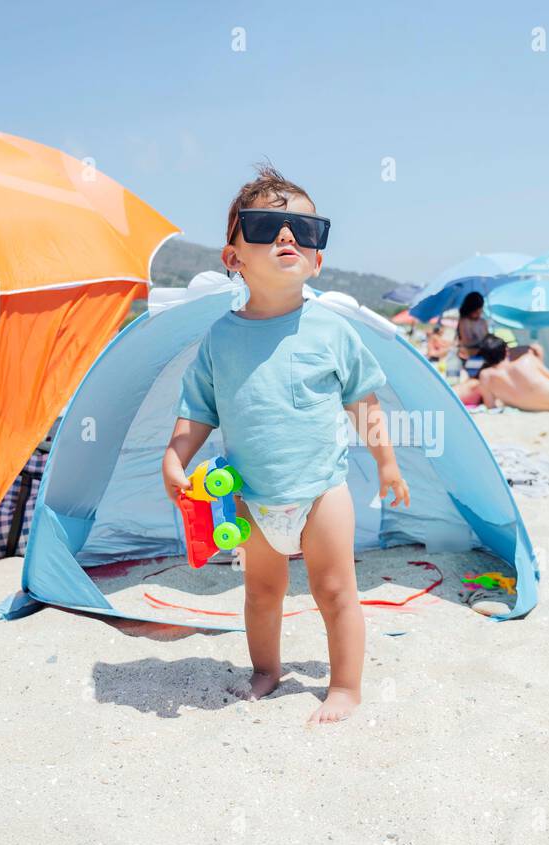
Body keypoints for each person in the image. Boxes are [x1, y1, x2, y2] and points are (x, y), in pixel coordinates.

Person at [161, 164, 410, 725]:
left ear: (318, 260)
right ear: (233, 258)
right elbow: (196, 409)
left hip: (322, 491)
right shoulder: (220, 339)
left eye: (305, 229)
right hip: (252, 494)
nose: (287, 237)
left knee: (335, 590)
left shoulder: (331, 330)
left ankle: (344, 686)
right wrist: (175, 455)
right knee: (261, 593)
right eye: (266, 225)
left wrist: (387, 465)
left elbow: (364, 402)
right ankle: (266, 670)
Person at [455, 291, 489, 360]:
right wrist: (482, 340)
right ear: (469, 310)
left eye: (480, 311)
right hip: (470, 355)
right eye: (476, 312)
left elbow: (487, 336)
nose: (479, 314)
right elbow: (467, 342)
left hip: (482, 352)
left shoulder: (482, 321)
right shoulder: (464, 322)